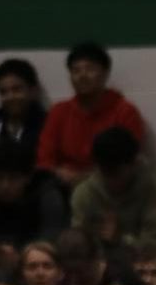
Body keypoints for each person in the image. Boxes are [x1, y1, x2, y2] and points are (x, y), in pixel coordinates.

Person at [36, 43, 146, 189]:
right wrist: (58, 172)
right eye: (76, 71)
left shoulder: (125, 111)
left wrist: (84, 178)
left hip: (109, 185)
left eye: (90, 69)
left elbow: (129, 161)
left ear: (105, 73)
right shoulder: (59, 112)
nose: (82, 76)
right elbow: (44, 159)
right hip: (64, 186)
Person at [0, 146, 66, 260]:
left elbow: (50, 240)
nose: (5, 185)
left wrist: (20, 255)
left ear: (28, 177)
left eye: (13, 178)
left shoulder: (46, 198)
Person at [71, 127, 156, 255]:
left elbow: (154, 245)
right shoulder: (84, 194)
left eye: (116, 174)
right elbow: (76, 245)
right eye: (105, 173)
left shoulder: (152, 191)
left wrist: (120, 240)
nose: (111, 181)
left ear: (134, 164)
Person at [0, 57, 47, 160]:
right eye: (3, 92)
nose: (10, 97)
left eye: (17, 89)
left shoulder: (48, 128)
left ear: (33, 91)